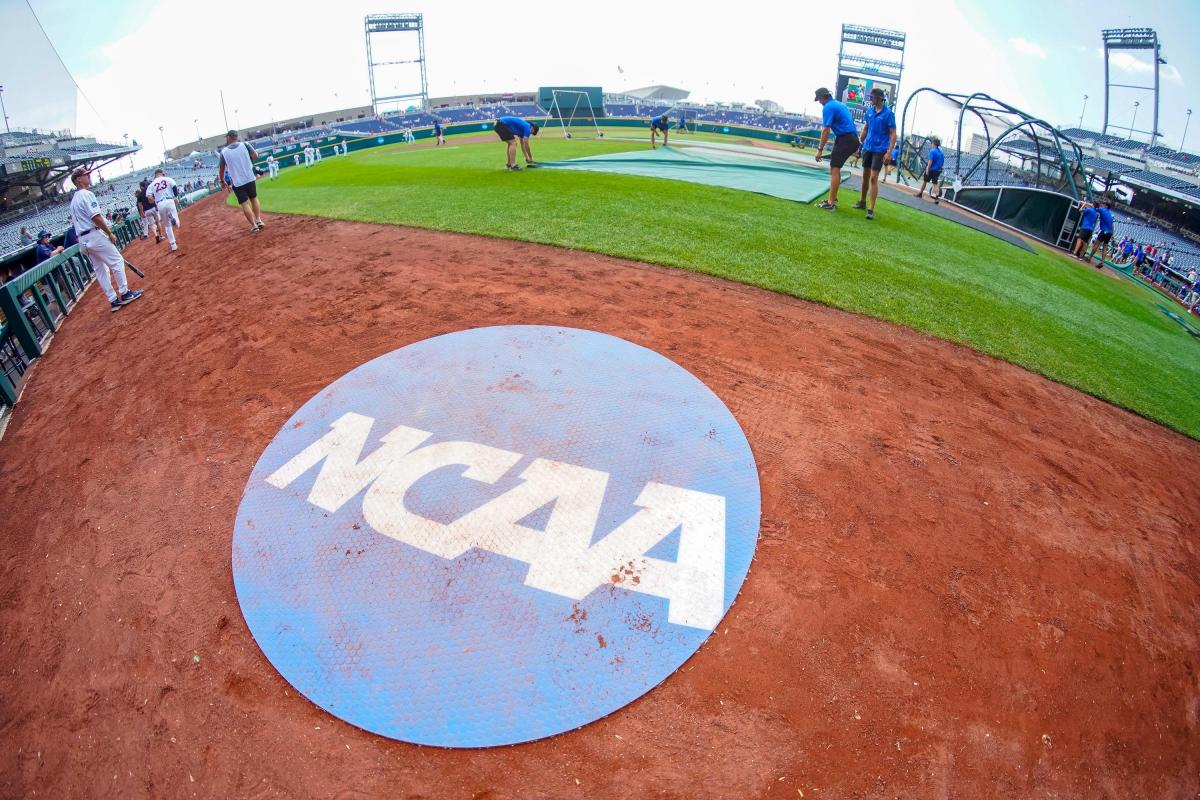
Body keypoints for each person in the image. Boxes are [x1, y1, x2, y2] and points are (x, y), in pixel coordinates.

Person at [68, 167, 142, 313]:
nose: (88, 177)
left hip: (82, 240)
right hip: (94, 234)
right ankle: (125, 293)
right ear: (78, 180)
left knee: (100, 271)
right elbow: (95, 217)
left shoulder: (74, 199)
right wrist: (109, 233)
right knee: (117, 261)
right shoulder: (86, 194)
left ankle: (113, 300)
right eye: (85, 175)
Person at [852, 87, 897, 221]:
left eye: (871, 97)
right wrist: (859, 144)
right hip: (868, 147)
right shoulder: (870, 111)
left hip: (880, 149)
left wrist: (889, 152)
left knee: (873, 178)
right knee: (865, 177)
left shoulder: (888, 114)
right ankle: (862, 202)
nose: (870, 99)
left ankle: (871, 209)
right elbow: (866, 128)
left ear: (878, 98)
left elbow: (893, 134)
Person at [812, 87, 859, 211]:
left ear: (823, 97)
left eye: (819, 100)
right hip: (850, 138)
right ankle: (832, 198)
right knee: (834, 168)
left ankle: (831, 202)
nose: (819, 102)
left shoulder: (828, 107)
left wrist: (820, 149)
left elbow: (826, 130)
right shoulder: (839, 104)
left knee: (835, 169)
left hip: (846, 139)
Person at [218, 129, 265, 234]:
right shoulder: (245, 144)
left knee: (244, 203)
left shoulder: (224, 152)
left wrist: (222, 180)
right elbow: (255, 156)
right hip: (249, 177)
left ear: (229, 138)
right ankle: (258, 220)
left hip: (237, 181)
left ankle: (254, 225)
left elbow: (221, 168)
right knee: (254, 198)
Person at [145, 168, 181, 252]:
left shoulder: (152, 184)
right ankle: (174, 219)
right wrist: (176, 197)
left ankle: (173, 246)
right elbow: (174, 187)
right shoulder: (167, 179)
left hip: (160, 204)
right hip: (169, 200)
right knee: (177, 224)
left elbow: (149, 197)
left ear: (155, 175)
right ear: (162, 173)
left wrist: (153, 200)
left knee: (167, 226)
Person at [1085, 198, 1115, 267]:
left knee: (1096, 244)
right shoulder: (1110, 214)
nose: (1102, 205)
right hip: (1109, 232)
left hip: (1104, 231)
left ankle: (1089, 257)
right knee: (1105, 246)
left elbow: (1094, 207)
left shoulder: (1103, 210)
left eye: (1104, 204)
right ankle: (1102, 262)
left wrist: (1086, 203)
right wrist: (1113, 235)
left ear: (1106, 206)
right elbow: (1112, 225)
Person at [914, 137, 944, 202]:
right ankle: (937, 198)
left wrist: (928, 168)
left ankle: (920, 193)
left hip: (931, 169)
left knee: (925, 181)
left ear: (934, 144)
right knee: (935, 184)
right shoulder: (941, 152)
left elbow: (930, 161)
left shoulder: (932, 151)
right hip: (937, 170)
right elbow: (942, 162)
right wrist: (940, 168)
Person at [135, 179, 161, 244]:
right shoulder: (149, 191)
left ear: (141, 186)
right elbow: (154, 199)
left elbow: (140, 205)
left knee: (152, 224)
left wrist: (142, 213)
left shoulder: (139, 195)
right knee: (157, 222)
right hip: (153, 208)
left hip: (146, 211)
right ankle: (160, 235)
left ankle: (156, 234)